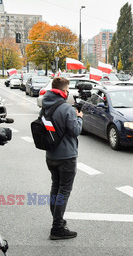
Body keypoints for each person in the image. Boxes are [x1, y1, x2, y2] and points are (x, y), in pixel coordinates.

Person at [42, 77, 83, 240]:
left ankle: (57, 220)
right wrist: (79, 116)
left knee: (55, 188)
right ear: (63, 91)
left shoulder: (45, 105)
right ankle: (57, 227)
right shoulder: (66, 108)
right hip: (66, 156)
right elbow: (75, 131)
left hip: (51, 154)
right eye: (67, 90)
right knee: (64, 191)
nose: (68, 93)